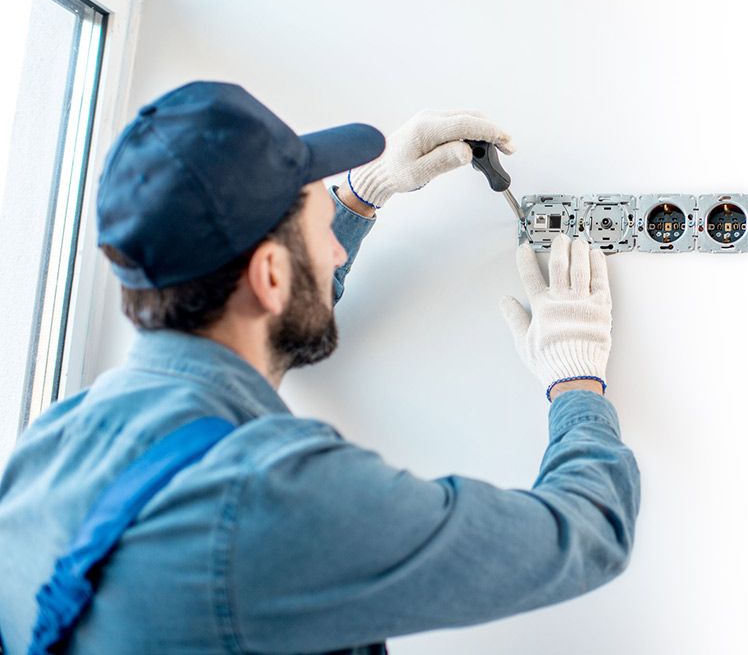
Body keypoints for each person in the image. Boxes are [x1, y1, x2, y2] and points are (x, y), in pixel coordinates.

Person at [0, 81, 640, 654]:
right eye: (320, 229)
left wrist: (365, 193)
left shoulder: (47, 448)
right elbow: (584, 538)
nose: (337, 247)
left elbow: (263, 319)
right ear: (272, 275)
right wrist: (576, 379)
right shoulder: (276, 497)